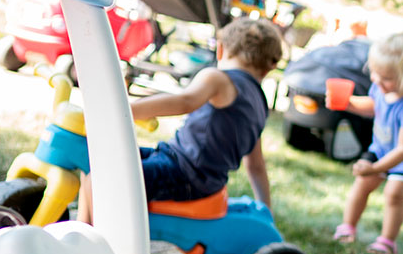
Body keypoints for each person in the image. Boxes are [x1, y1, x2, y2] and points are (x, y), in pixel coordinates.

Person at [80, 18, 283, 220]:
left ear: (221, 50)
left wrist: (121, 112)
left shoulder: (219, 78)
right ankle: (84, 235)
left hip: (182, 173)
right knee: (96, 160)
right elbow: (256, 166)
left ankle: (89, 244)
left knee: (99, 178)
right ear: (267, 69)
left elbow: (184, 101)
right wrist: (266, 212)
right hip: (202, 181)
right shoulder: (259, 105)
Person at [333, 30, 403, 254]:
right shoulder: (380, 88)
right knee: (362, 183)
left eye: (386, 78)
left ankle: (387, 242)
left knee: (393, 193)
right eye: (374, 73)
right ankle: (347, 227)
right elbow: (373, 105)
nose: (377, 81)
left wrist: (375, 168)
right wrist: (349, 103)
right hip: (382, 150)